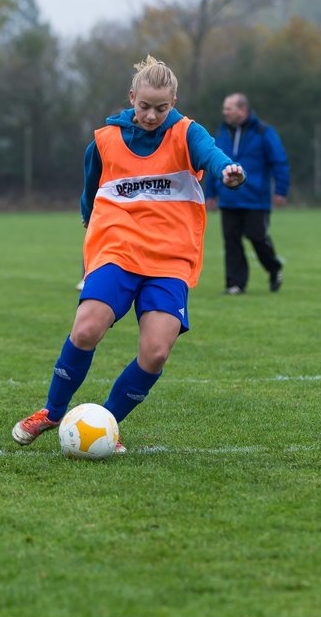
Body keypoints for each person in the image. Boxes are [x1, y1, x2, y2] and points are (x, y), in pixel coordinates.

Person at [12, 55, 246, 451]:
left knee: (155, 353)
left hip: (171, 258)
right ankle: (51, 413)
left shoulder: (188, 134)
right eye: (145, 106)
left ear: (173, 102)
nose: (153, 115)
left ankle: (104, 424)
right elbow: (90, 193)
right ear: (132, 97)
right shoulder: (104, 141)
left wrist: (227, 171)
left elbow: (212, 155)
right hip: (117, 248)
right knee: (86, 328)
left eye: (162, 108)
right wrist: (91, 231)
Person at [205, 92, 290, 295]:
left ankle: (273, 267)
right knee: (231, 241)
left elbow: (279, 161)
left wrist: (281, 190)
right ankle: (236, 284)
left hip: (256, 199)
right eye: (224, 108)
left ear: (242, 110)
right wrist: (210, 194)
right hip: (228, 198)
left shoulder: (263, 132)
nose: (224, 112)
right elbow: (210, 161)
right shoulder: (222, 132)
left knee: (257, 237)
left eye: (229, 108)